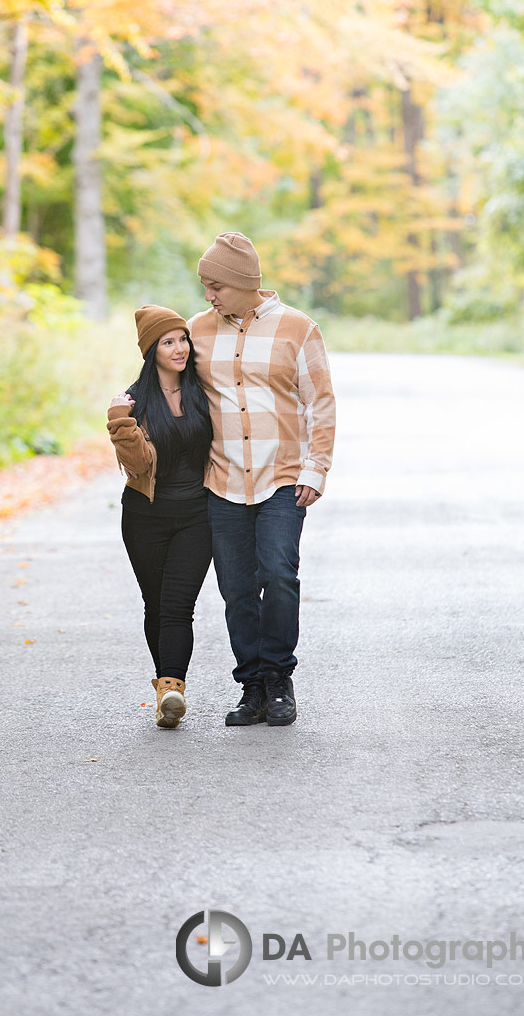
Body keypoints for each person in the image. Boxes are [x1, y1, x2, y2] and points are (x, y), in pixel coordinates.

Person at [188, 232, 336, 727]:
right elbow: (169, 384)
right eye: (205, 286)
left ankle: (278, 678)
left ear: (242, 282)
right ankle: (251, 687)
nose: (209, 295)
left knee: (278, 575)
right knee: (235, 588)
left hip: (283, 478)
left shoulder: (299, 329)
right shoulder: (197, 331)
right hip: (222, 478)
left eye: (216, 286)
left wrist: (316, 467)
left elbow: (320, 403)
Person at [107, 305, 213, 729]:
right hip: (145, 517)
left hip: (198, 515)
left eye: (183, 339)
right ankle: (165, 692)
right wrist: (120, 422)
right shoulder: (132, 402)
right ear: (151, 350)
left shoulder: (204, 392)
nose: (180, 348)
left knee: (177, 606)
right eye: (168, 342)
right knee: (156, 604)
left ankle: (172, 688)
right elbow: (137, 465)